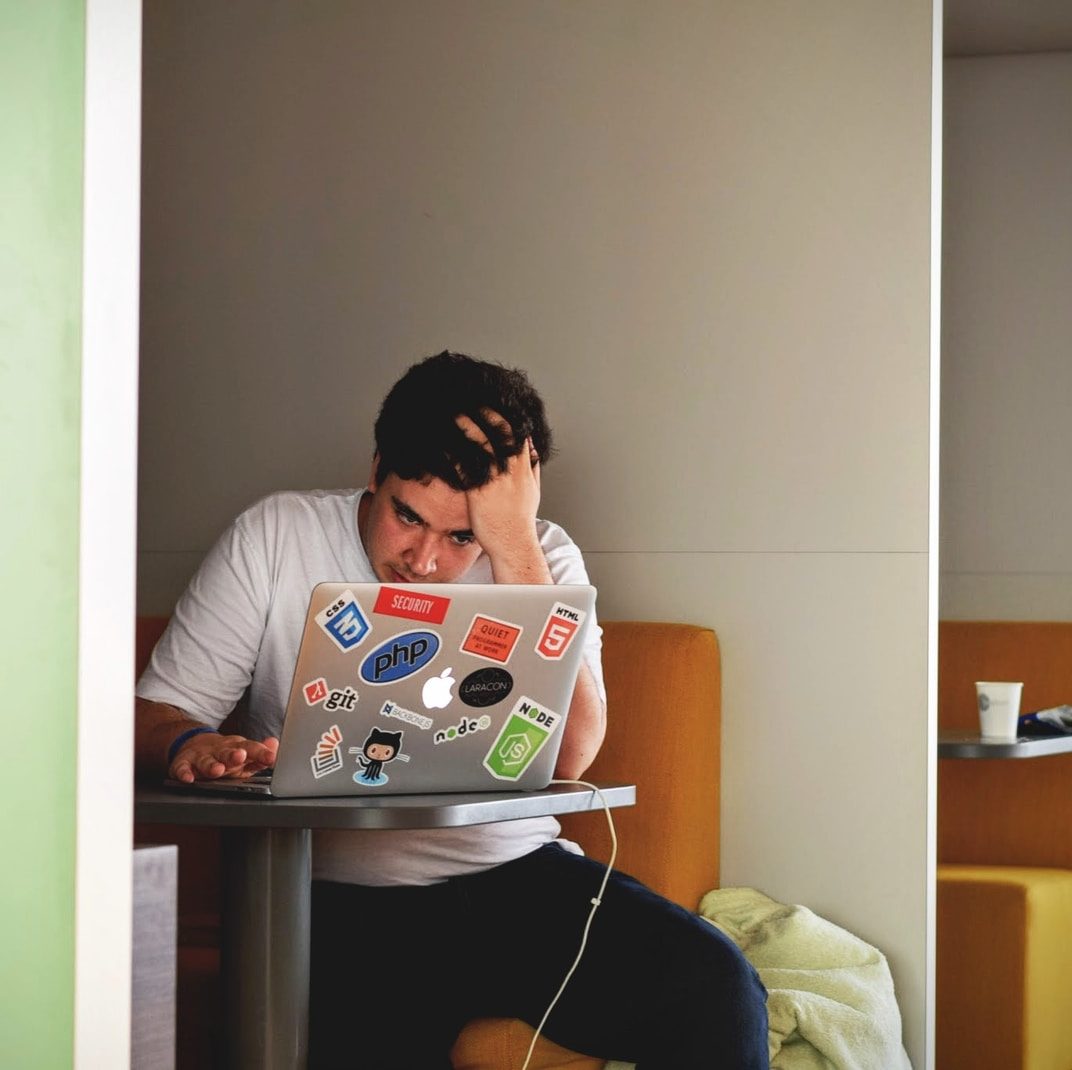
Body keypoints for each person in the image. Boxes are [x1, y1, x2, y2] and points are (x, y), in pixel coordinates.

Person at [134, 351, 768, 1069]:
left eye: (462, 535)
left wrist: (514, 546)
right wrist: (188, 743)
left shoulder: (541, 557)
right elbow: (155, 712)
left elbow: (572, 754)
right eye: (407, 516)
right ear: (377, 469)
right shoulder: (275, 535)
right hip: (337, 898)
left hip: (516, 879)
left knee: (720, 990)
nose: (424, 560)